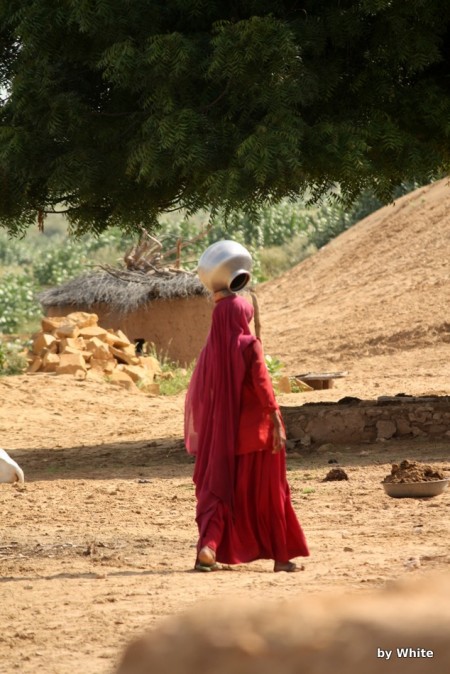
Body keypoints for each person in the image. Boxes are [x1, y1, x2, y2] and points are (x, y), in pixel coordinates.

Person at [185, 290, 309, 572]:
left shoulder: (209, 352)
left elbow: (202, 397)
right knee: (270, 495)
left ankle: (209, 547)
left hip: (222, 438)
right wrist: (276, 420)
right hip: (258, 437)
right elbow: (264, 386)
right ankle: (281, 557)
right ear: (243, 317)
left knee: (220, 491)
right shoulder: (249, 344)